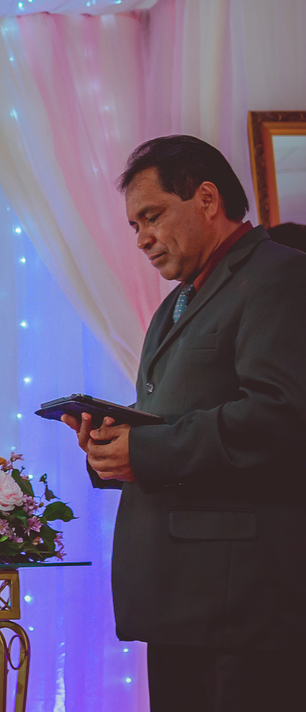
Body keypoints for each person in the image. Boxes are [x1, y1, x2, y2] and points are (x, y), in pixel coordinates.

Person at [63, 135, 306, 712]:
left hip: (241, 608)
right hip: (180, 603)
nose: (142, 239)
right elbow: (177, 422)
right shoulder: (177, 303)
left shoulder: (282, 274)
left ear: (207, 199)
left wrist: (145, 451)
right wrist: (114, 447)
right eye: (134, 226)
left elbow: (282, 417)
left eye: (152, 216)